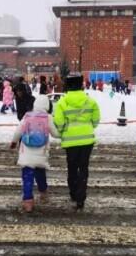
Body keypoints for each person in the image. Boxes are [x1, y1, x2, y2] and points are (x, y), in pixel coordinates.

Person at [53, 74, 100, 211]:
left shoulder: (63, 101)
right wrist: (87, 126)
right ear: (81, 85)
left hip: (70, 141)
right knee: (83, 168)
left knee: (72, 168)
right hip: (87, 140)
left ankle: (73, 193)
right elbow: (96, 119)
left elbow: (59, 121)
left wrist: (64, 130)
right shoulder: (90, 101)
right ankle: (81, 197)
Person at [10, 95, 60, 213]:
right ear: (47, 106)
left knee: (27, 177)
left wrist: (13, 142)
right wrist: (65, 133)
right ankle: (43, 192)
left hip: (26, 153)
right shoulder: (48, 117)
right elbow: (55, 134)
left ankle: (28, 202)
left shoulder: (27, 116)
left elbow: (18, 131)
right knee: (40, 173)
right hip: (40, 153)